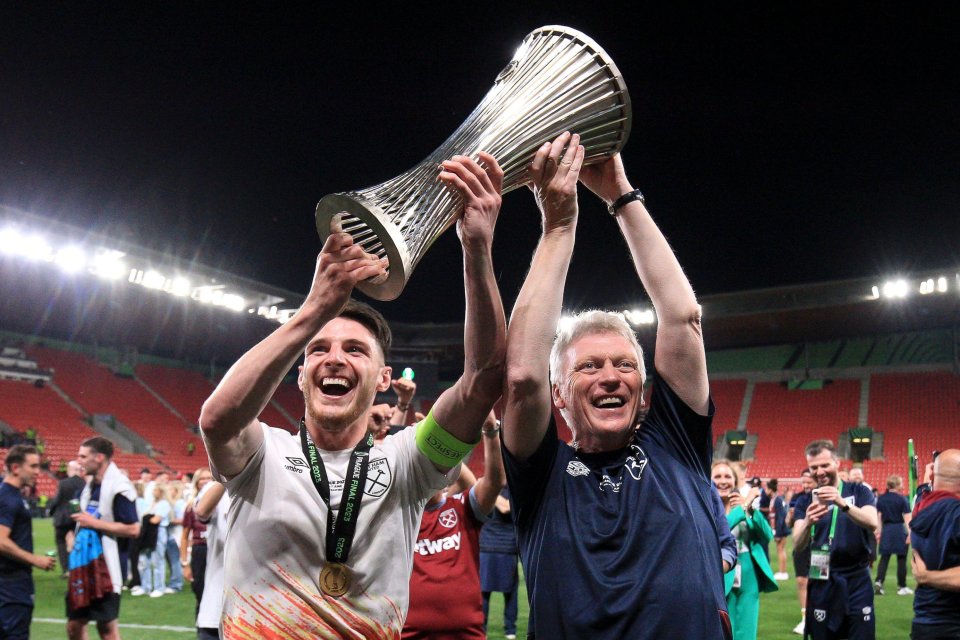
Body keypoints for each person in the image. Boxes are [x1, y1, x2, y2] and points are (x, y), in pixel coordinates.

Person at [199, 151, 507, 635]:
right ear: (300, 375)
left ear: (383, 380)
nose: (335, 358)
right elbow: (217, 420)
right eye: (317, 350)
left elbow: (484, 378)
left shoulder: (410, 462)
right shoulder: (261, 454)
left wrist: (477, 248)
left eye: (356, 351)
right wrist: (312, 312)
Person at [501, 132, 729, 638]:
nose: (610, 376)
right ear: (558, 394)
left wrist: (621, 196)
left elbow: (683, 316)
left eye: (625, 365)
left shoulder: (677, 444)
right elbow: (520, 375)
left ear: (645, 387)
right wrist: (559, 227)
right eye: (588, 367)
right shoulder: (540, 474)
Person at [403, 412, 505, 639]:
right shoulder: (400, 515)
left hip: (464, 632)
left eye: (433, 464)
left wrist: (490, 431)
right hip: (409, 631)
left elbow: (495, 481)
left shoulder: (462, 507)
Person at [793, 440, 878, 640]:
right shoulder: (806, 500)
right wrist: (807, 521)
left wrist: (842, 503)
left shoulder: (858, 491)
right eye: (814, 467)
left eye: (825, 465)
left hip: (856, 577)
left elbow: (872, 522)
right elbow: (797, 544)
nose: (820, 471)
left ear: (837, 463)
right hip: (821, 577)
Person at [68, 436, 140, 640]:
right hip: (83, 563)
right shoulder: (89, 486)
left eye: (83, 456)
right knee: (74, 625)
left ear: (99, 458)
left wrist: (94, 523)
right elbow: (84, 520)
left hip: (107, 568)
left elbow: (133, 529)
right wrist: (72, 534)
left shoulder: (120, 487)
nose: (78, 460)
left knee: (106, 628)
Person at [712, 460, 778, 640]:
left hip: (748, 573)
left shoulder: (744, 505)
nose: (723, 480)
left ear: (735, 481)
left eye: (727, 476)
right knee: (722, 629)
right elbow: (718, 533)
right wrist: (741, 509)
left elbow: (767, 535)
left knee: (747, 630)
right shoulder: (705, 507)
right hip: (720, 571)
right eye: (717, 476)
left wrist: (749, 510)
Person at [0, 445, 57, 639]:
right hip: (11, 585)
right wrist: (34, 559)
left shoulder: (12, 495)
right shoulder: (7, 498)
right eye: (33, 466)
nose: (37, 472)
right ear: (16, 468)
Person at [909, 448, 960, 639]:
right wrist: (927, 577)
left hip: (925, 620)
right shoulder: (956, 514)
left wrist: (928, 476)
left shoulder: (922, 506)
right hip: (953, 623)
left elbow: (923, 491)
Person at [479, 487, 519, 640]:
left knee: (510, 592)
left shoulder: (508, 488)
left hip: (506, 546)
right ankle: (483, 629)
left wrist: (490, 490)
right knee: (484, 592)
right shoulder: (491, 489)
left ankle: (510, 630)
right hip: (488, 545)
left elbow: (506, 508)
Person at [193, 478, 228, 640]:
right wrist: (228, 474)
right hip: (217, 608)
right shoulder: (216, 487)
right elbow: (201, 511)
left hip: (264, 611)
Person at [180, 468, 213, 615]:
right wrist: (185, 564)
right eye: (202, 478)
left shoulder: (223, 503)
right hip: (200, 550)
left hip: (218, 550)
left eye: (209, 478)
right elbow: (185, 536)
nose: (205, 481)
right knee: (199, 590)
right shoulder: (191, 506)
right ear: (196, 482)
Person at [873, 475, 912, 596]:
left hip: (887, 530)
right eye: (901, 483)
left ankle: (879, 581)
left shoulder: (881, 499)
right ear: (897, 485)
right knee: (901, 559)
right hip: (899, 530)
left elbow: (878, 517)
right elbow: (907, 518)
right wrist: (910, 533)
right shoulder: (902, 499)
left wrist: (878, 531)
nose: (902, 485)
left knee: (884, 558)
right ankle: (902, 587)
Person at [788, 470, 816, 634]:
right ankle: (805, 618)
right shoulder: (797, 499)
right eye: (803, 482)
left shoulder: (823, 498)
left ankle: (819, 615)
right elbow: (788, 523)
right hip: (802, 544)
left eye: (808, 482)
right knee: (801, 581)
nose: (805, 485)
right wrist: (790, 517)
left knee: (818, 581)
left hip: (819, 545)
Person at [48, 460, 86, 576]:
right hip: (78, 517)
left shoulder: (63, 483)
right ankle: (78, 567)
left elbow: (57, 500)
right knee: (79, 542)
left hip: (62, 517)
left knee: (60, 542)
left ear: (71, 470)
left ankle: (66, 569)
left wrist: (51, 511)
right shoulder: (84, 484)